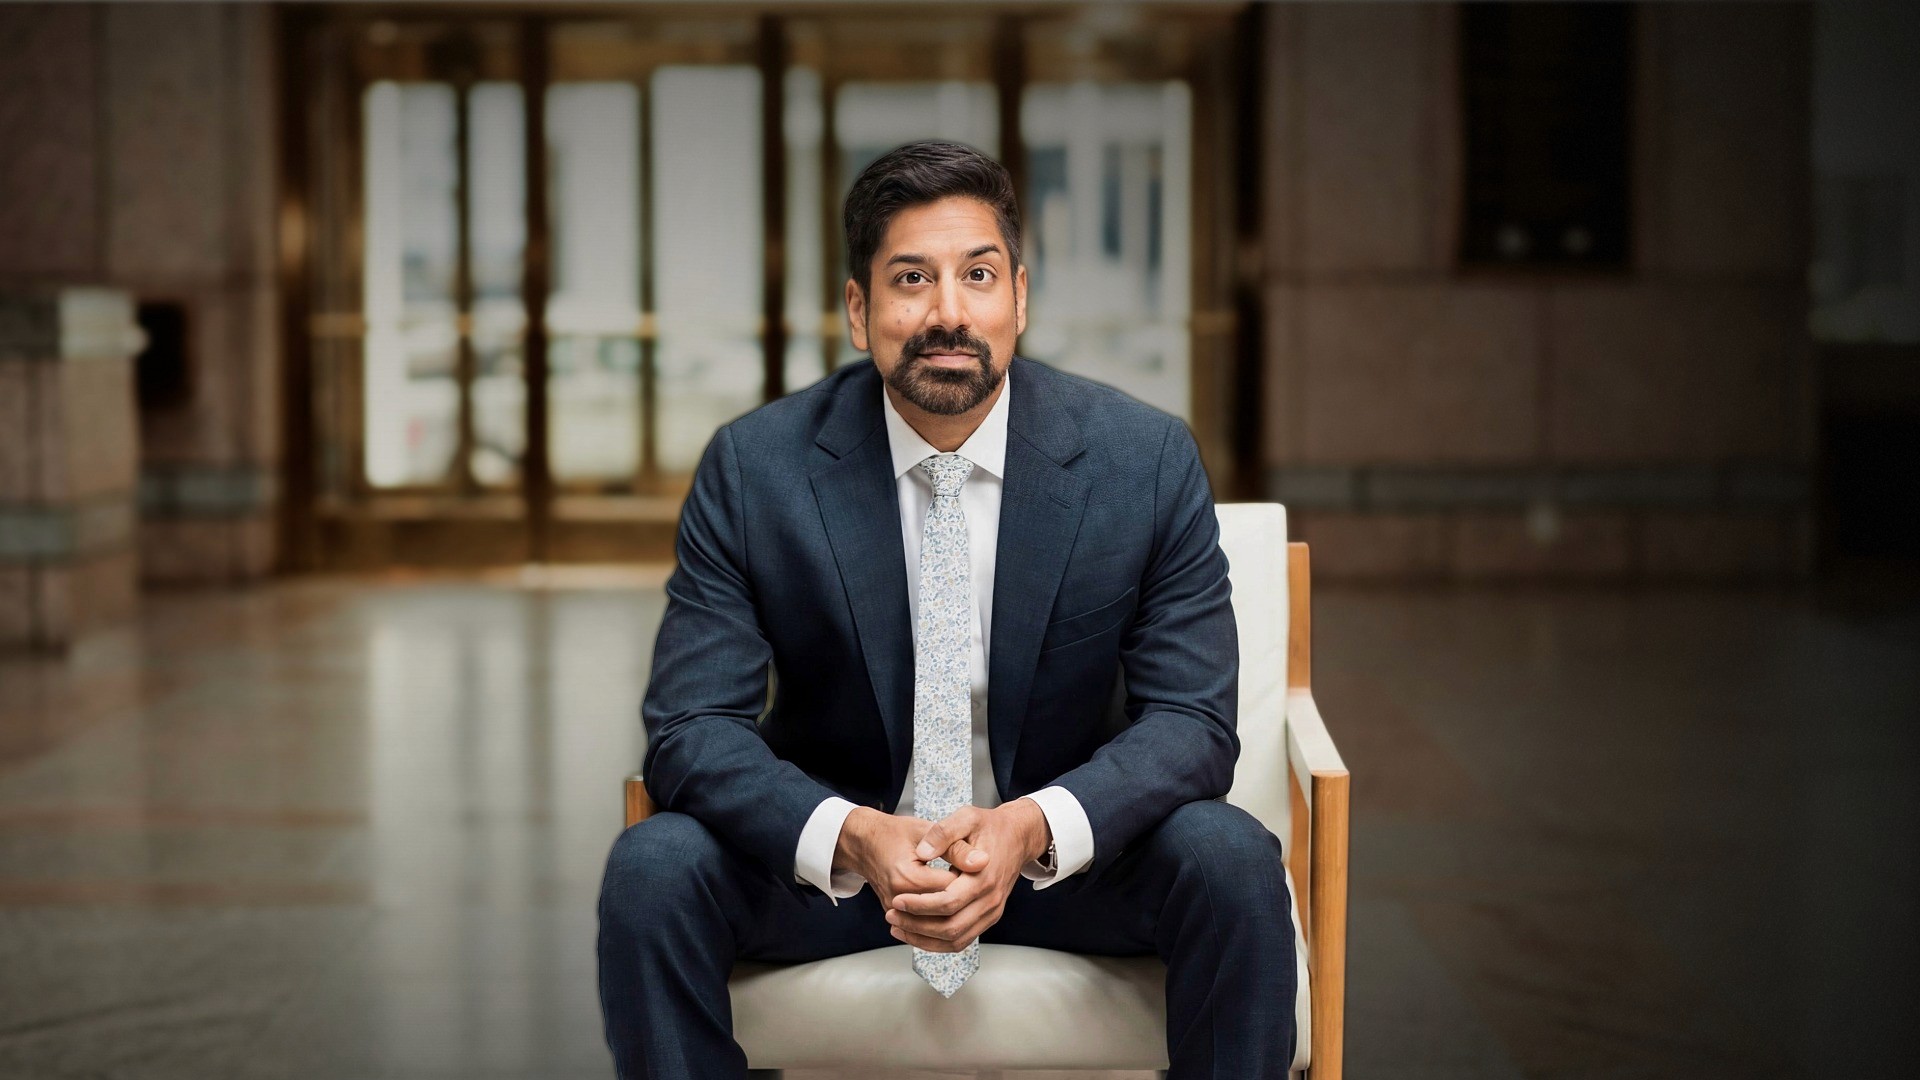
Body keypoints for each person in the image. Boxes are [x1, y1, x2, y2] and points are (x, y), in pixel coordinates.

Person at [597, 140, 1295, 1078]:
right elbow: (689, 727)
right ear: (859, 310)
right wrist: (854, 835)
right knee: (652, 869)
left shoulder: (1145, 462)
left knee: (1229, 857)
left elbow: (1192, 723)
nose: (948, 314)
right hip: (846, 877)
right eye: (911, 279)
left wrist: (1028, 827)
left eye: (978, 275)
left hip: (1063, 867)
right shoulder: (755, 470)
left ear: (1020, 298)